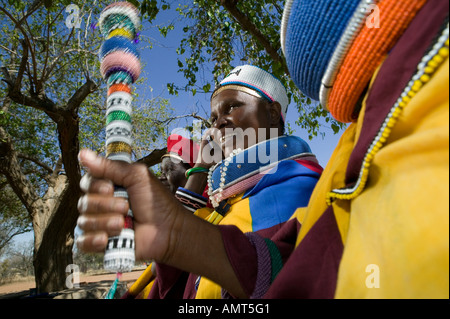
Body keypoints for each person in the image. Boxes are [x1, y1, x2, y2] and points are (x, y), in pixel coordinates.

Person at [77, 0, 449, 299]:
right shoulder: (230, 197)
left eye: (232, 107)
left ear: (273, 114)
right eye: (213, 116)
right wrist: (180, 227)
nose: (218, 122)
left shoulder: (300, 186)